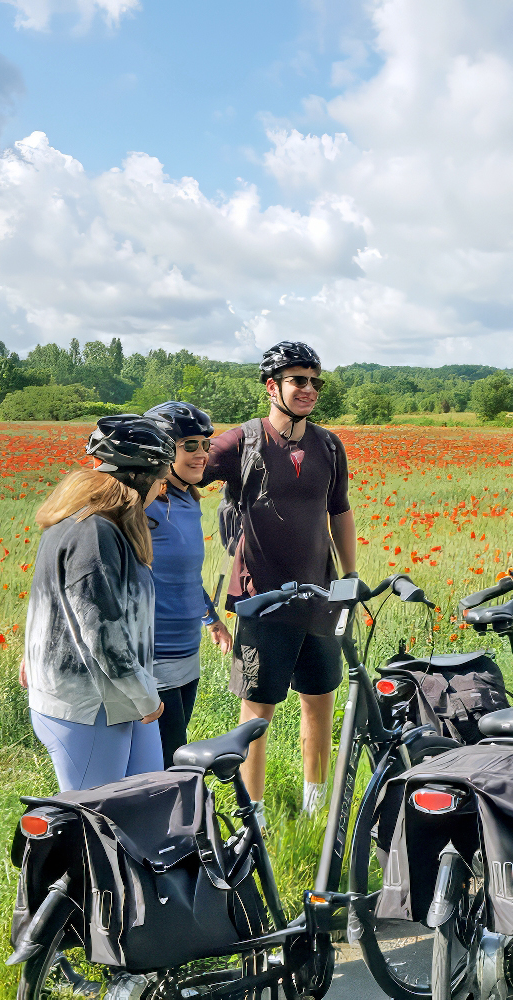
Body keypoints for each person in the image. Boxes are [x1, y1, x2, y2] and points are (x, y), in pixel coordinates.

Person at [203, 341, 355, 822]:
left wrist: (350, 578)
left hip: (320, 597)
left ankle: (314, 810)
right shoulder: (240, 442)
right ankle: (255, 815)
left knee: (320, 702)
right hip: (259, 602)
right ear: (272, 387)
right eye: (298, 380)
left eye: (314, 381)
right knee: (256, 712)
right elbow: (183, 475)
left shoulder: (329, 445)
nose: (309, 389)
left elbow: (339, 511)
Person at [20, 414, 174, 791]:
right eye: (161, 477)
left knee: (146, 803)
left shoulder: (103, 524)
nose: (164, 487)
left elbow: (57, 605)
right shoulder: (92, 532)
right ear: (139, 478)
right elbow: (101, 630)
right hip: (89, 704)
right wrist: (145, 695)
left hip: (116, 698)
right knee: (97, 823)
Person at [143, 401, 234, 764]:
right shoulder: (146, 505)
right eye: (190, 446)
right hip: (153, 655)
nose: (202, 455)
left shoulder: (186, 500)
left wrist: (211, 620)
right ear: (164, 451)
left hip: (186, 653)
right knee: (167, 762)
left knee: (172, 753)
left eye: (205, 444)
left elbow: (184, 577)